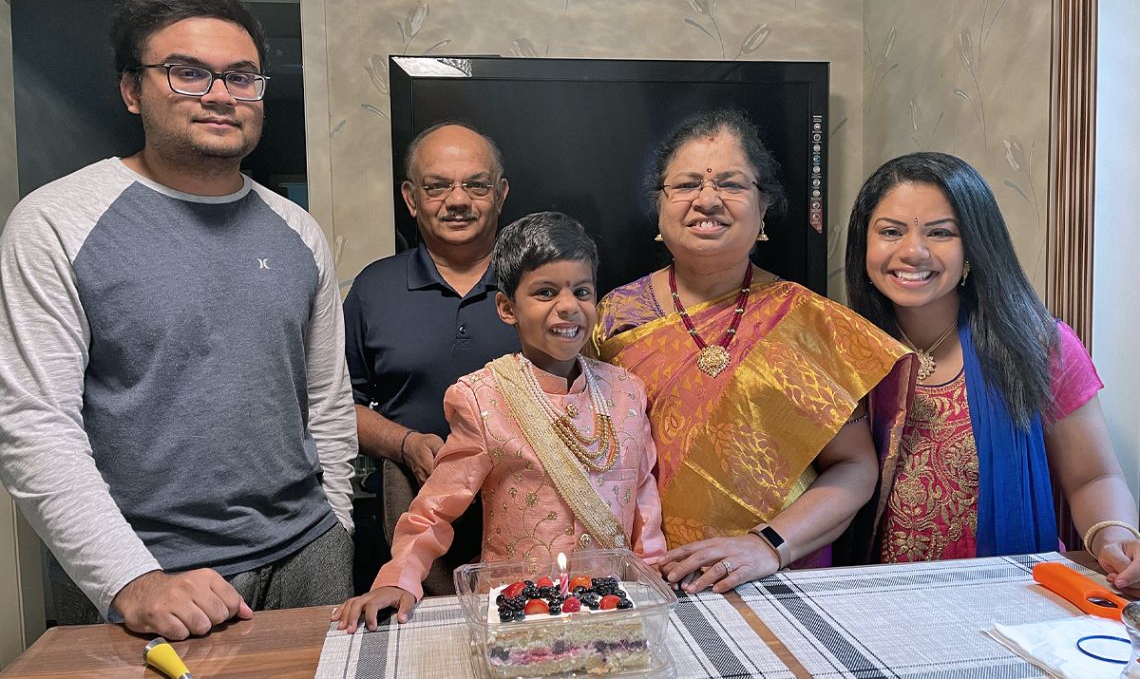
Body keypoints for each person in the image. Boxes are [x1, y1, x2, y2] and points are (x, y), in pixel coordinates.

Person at [0, 0, 356, 639]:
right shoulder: (55, 222)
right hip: (148, 576)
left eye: (241, 76)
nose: (220, 96)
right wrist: (130, 582)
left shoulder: (298, 231)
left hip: (309, 558)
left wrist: (335, 521)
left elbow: (327, 398)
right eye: (187, 72)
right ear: (132, 89)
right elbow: (34, 424)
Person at [592, 109, 915, 594]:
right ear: (659, 207)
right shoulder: (613, 316)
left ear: (764, 208)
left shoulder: (810, 325)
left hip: (777, 580)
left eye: (731, 184)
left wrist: (767, 545)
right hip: (643, 580)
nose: (707, 200)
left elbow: (855, 467)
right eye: (684, 186)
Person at [333, 211, 667, 630]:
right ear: (507, 308)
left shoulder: (626, 391)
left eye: (582, 291)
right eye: (545, 292)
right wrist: (399, 578)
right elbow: (434, 510)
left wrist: (652, 574)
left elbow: (643, 497)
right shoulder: (484, 398)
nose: (569, 307)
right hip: (518, 613)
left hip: (612, 606)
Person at [845, 151, 1140, 588]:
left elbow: (1093, 476)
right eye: (890, 231)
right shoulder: (843, 353)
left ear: (973, 246)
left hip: (1010, 595)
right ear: (864, 245)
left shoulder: (1039, 346)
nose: (913, 251)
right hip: (872, 599)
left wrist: (1113, 538)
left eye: (940, 232)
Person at [343, 122, 519, 595]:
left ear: (500, 194)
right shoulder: (373, 289)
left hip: (529, 520)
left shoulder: (540, 287)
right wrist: (404, 443)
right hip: (410, 522)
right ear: (411, 197)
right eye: (437, 186)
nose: (457, 200)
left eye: (476, 185)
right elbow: (336, 409)